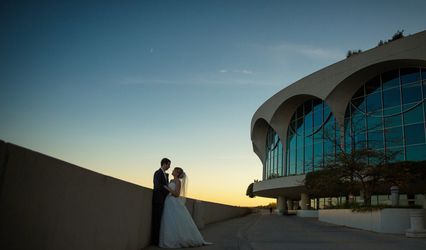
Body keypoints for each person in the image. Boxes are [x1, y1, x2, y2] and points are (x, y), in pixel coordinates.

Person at [159, 167, 211, 248]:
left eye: (174, 170)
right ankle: (170, 239)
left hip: (173, 202)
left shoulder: (178, 182)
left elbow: (177, 194)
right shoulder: (171, 181)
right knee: (169, 220)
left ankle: (180, 240)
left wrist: (168, 189)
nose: (172, 171)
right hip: (168, 201)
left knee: (175, 221)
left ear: (177, 173)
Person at [151, 158, 171, 246]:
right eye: (169, 164)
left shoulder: (165, 175)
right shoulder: (157, 173)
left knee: (160, 221)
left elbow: (164, 185)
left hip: (163, 201)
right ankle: (154, 242)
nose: (169, 166)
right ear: (164, 164)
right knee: (156, 221)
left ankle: (158, 240)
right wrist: (168, 191)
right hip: (158, 200)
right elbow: (157, 186)